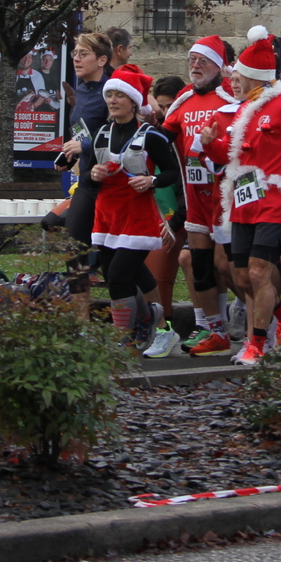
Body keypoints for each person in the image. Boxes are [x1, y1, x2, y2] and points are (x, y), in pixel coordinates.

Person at [196, 26, 281, 366]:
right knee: (242, 276)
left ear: (254, 77)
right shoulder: (246, 108)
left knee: (260, 273)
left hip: (275, 202)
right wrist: (209, 144)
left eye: (239, 76)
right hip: (243, 203)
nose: (234, 81)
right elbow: (231, 157)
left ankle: (256, 345)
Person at [87, 64, 182, 351]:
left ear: (133, 102)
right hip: (107, 217)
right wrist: (93, 174)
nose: (113, 100)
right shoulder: (101, 133)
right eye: (110, 95)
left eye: (119, 95)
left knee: (118, 276)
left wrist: (151, 180)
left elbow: (172, 172)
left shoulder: (150, 134)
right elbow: (88, 175)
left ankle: (122, 340)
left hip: (138, 217)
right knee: (125, 273)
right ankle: (149, 317)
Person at [159, 35, 239, 357]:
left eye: (203, 61)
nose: (195, 66)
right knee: (200, 265)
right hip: (195, 198)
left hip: (225, 197)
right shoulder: (182, 101)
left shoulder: (228, 97)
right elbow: (160, 140)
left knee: (228, 267)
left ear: (218, 66)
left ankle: (266, 316)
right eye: (192, 60)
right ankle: (215, 330)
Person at [141, 73, 187, 358]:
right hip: (154, 214)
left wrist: (174, 223)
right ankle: (150, 326)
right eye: (162, 107)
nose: (166, 112)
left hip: (180, 216)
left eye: (171, 106)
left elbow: (188, 186)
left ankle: (165, 327)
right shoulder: (156, 131)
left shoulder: (185, 134)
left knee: (161, 274)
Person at [58, 32, 115, 257]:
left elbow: (121, 138)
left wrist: (85, 147)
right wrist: (69, 154)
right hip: (86, 180)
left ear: (102, 60)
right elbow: (81, 131)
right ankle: (82, 281)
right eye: (75, 53)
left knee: (112, 257)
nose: (76, 59)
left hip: (110, 182)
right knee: (73, 248)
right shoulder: (80, 90)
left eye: (83, 54)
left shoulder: (112, 92)